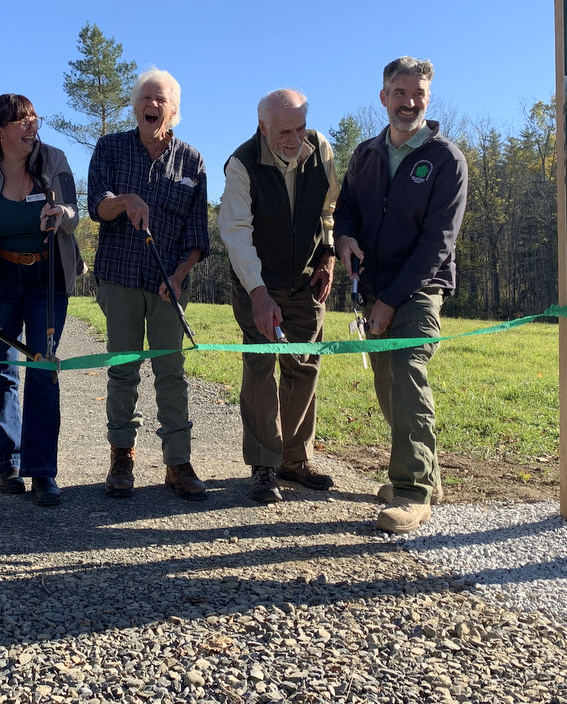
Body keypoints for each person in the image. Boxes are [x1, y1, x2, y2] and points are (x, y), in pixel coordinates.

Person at [334, 56, 467, 534]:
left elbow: (439, 242)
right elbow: (346, 209)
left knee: (408, 377)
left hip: (418, 289)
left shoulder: (446, 159)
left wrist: (392, 300)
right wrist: (343, 239)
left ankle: (411, 491)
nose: (409, 103)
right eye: (400, 92)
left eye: (419, 95)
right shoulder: (365, 154)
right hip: (372, 290)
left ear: (428, 100)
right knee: (389, 387)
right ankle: (426, 473)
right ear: (384, 96)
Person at [87, 68, 210, 501]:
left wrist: (177, 277)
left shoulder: (192, 161)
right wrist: (124, 202)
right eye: (145, 98)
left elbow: (198, 237)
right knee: (123, 371)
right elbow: (95, 207)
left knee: (171, 373)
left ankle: (178, 462)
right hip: (118, 278)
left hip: (168, 286)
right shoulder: (110, 148)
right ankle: (122, 457)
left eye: (161, 100)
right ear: (135, 105)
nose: (152, 105)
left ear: (173, 111)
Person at [219, 89, 339, 504]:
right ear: (262, 127)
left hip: (306, 279)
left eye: (301, 127)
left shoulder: (320, 149)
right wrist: (258, 292)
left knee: (304, 366)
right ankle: (263, 465)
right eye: (285, 131)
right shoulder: (241, 164)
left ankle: (295, 459)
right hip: (257, 280)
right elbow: (235, 232)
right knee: (260, 368)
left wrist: (328, 254)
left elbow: (330, 209)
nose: (295, 138)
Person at [0, 94, 79, 507]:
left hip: (48, 275)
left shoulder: (55, 159)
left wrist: (62, 214)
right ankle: (8, 463)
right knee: (2, 370)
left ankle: (43, 470)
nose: (32, 127)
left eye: (34, 119)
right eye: (21, 121)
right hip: (2, 279)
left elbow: (74, 211)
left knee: (43, 367)